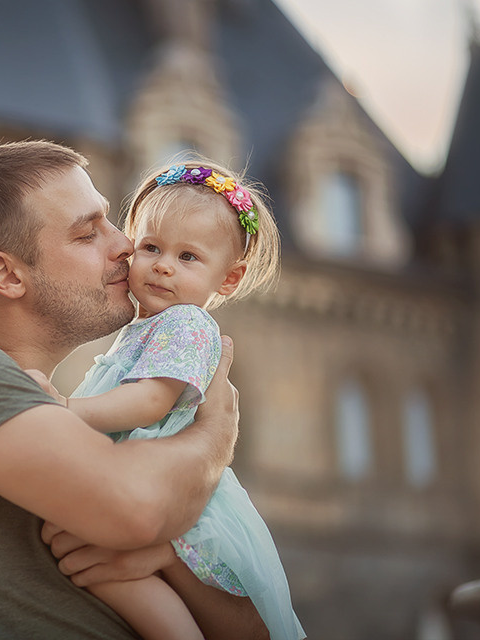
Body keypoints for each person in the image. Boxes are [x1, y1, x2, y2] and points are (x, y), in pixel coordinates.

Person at [0, 141, 262, 639]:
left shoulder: (67, 409)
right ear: (8, 274)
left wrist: (168, 556)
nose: (125, 245)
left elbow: (254, 632)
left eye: (111, 221)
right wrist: (218, 433)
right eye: (87, 233)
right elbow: (138, 510)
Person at [29, 158, 305, 640]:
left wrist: (66, 411)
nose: (162, 265)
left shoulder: (187, 324)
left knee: (121, 579)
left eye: (188, 258)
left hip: (170, 496)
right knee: (114, 576)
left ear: (229, 280)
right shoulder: (147, 329)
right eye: (151, 247)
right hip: (143, 484)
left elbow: (150, 402)